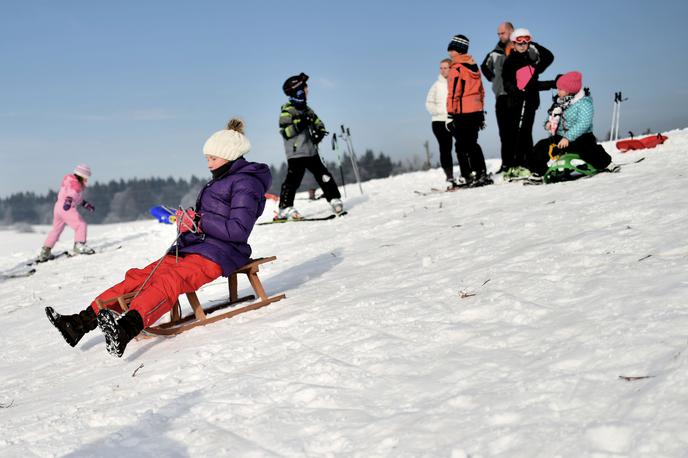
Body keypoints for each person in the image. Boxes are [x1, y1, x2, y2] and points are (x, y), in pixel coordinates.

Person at [45, 118, 272, 357]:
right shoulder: (222, 179)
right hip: (195, 247)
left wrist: (199, 221)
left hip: (221, 254)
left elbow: (237, 230)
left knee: (169, 280)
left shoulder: (246, 184)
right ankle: (80, 323)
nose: (208, 164)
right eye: (207, 158)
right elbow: (210, 218)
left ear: (230, 155)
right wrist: (192, 222)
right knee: (140, 277)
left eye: (212, 159)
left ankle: (126, 328)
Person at [277, 72, 344, 220]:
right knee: (293, 180)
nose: (307, 91)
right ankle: (284, 208)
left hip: (311, 151)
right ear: (298, 91)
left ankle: (334, 199)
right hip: (296, 153)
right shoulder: (287, 111)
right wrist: (301, 123)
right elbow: (286, 132)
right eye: (305, 89)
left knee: (324, 175)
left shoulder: (307, 110)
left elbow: (318, 122)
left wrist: (319, 132)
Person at [528, 71, 611, 176]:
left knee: (587, 148)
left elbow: (584, 123)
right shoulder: (560, 103)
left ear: (569, 90)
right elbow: (552, 116)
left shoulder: (584, 103)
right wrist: (548, 123)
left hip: (581, 136)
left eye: (560, 89)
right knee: (541, 146)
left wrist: (568, 137)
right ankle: (539, 172)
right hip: (561, 137)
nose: (557, 92)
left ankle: (606, 164)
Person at [501, 28, 555, 179]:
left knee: (526, 132)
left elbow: (549, 57)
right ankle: (518, 164)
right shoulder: (510, 61)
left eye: (526, 42)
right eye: (519, 43)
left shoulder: (532, 60)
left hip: (530, 102)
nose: (523, 45)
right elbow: (506, 82)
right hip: (517, 103)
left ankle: (528, 164)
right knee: (519, 134)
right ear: (513, 44)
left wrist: (535, 45)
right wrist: (517, 90)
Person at [446, 34, 492, 187]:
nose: (449, 52)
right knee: (472, 143)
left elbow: (454, 93)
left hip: (462, 112)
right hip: (476, 110)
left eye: (451, 49)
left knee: (461, 145)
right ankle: (480, 173)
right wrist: (481, 110)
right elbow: (481, 91)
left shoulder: (456, 68)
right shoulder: (474, 67)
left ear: (457, 50)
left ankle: (467, 175)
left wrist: (450, 114)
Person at [38, 165, 96, 261]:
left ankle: (45, 251)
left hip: (58, 207)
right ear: (82, 175)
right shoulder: (76, 184)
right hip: (66, 207)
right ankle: (79, 245)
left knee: (56, 230)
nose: (87, 179)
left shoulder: (69, 182)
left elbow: (77, 198)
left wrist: (86, 205)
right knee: (80, 225)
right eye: (86, 177)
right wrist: (68, 201)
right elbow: (72, 194)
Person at [481, 21, 514, 173]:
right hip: (500, 97)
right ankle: (506, 164)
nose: (500, 36)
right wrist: (493, 78)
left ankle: (523, 162)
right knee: (504, 134)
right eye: (498, 34)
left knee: (519, 132)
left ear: (511, 32)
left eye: (503, 33)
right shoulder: (494, 52)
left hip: (516, 96)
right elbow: (484, 66)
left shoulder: (519, 47)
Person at [425, 58, 458, 188]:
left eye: (445, 67)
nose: (443, 70)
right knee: (445, 148)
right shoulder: (436, 85)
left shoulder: (456, 82)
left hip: (454, 120)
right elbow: (428, 103)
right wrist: (440, 111)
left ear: (451, 68)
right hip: (439, 122)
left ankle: (469, 171)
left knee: (461, 145)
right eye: (441, 68)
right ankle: (449, 175)